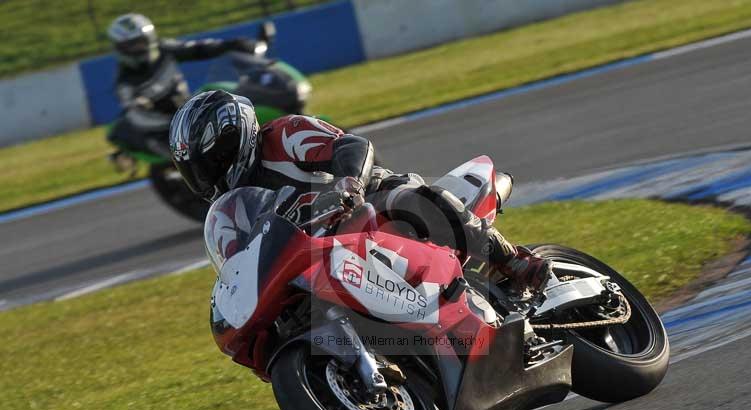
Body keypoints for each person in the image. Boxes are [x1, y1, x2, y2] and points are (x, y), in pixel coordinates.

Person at [168, 90, 552, 292]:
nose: (209, 176)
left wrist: (347, 184)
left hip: (367, 203)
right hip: (320, 255)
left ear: (233, 138)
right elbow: (238, 263)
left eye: (212, 161)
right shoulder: (230, 210)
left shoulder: (284, 135)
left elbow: (353, 147)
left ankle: (512, 259)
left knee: (405, 198)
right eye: (196, 171)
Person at [107, 13, 259, 158]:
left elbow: (196, 48)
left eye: (141, 42)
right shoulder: (125, 84)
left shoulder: (164, 49)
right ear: (121, 49)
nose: (139, 48)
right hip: (163, 127)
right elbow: (137, 117)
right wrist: (172, 122)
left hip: (187, 109)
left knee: (218, 96)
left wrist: (231, 45)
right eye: (132, 46)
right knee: (189, 155)